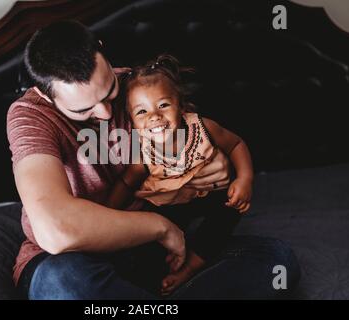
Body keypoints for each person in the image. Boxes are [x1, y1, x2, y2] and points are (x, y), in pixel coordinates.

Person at [7, 20, 300, 299]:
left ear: (100, 46)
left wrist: (215, 166)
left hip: (148, 251)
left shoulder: (139, 87)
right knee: (63, 282)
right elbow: (56, 231)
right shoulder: (31, 116)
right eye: (85, 110)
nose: (107, 113)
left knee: (276, 261)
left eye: (110, 90)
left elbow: (201, 138)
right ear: (46, 96)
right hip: (76, 258)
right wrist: (160, 227)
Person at [105, 54, 253, 295]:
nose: (154, 116)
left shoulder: (203, 128)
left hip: (210, 194)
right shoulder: (142, 152)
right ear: (131, 120)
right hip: (171, 203)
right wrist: (108, 214)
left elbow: (236, 144)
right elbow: (125, 183)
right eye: (141, 112)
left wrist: (244, 179)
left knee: (229, 210)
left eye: (163, 105)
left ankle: (193, 265)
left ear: (181, 106)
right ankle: (166, 267)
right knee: (151, 242)